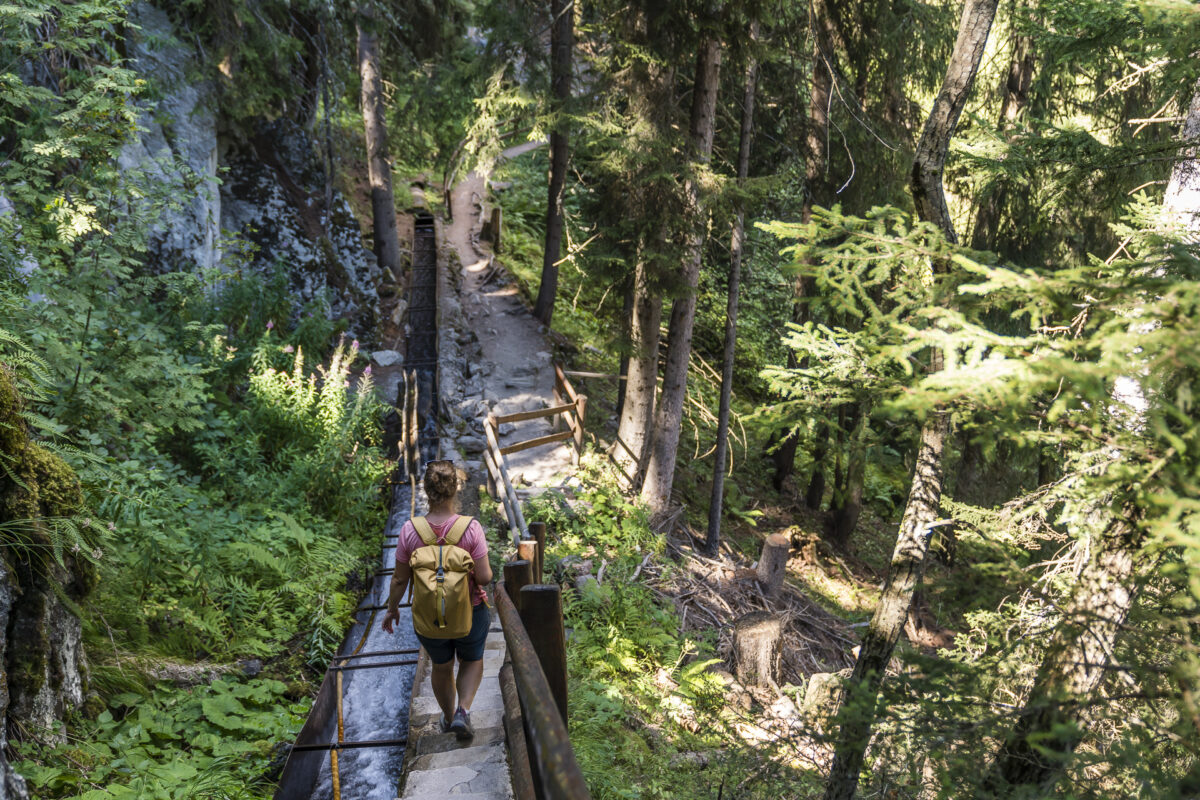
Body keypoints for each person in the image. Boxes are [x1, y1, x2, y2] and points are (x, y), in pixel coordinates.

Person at [381, 460, 493, 740]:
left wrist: (392, 609)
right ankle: (463, 713)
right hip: (471, 611)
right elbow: (485, 577)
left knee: (441, 665)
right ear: (456, 488)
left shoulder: (410, 530)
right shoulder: (471, 528)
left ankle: (447, 716)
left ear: (425, 490)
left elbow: (398, 579)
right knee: (471, 659)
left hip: (429, 616)